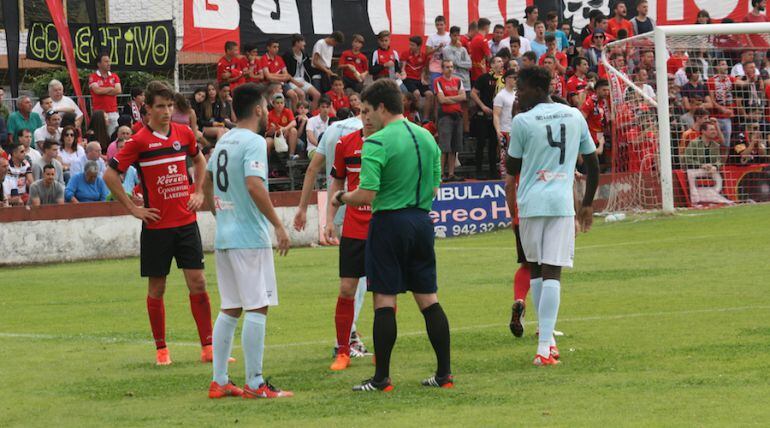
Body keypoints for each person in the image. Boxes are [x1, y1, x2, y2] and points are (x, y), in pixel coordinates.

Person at [332, 78, 452, 392]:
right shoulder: (426, 137)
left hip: (388, 223)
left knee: (384, 299)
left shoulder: (376, 142)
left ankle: (381, 378)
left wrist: (341, 198)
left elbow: (367, 194)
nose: (365, 118)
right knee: (428, 299)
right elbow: (436, 184)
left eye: (368, 111)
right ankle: (444, 375)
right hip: (422, 222)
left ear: (383, 108)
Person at [104, 81, 214, 366]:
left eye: (170, 106)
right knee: (158, 287)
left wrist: (199, 191)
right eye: (161, 107)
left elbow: (200, 161)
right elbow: (110, 176)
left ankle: (208, 346)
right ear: (148, 110)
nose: (167, 112)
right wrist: (133, 209)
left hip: (186, 222)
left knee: (198, 282)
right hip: (156, 226)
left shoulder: (184, 133)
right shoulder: (139, 141)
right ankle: (162, 349)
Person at [203, 82, 293, 400]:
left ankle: (220, 379)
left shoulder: (224, 139)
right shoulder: (254, 141)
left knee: (230, 308)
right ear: (257, 109)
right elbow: (255, 186)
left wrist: (221, 215)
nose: (268, 112)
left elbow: (206, 181)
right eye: (266, 107)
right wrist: (278, 225)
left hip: (226, 237)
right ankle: (255, 384)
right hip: (248, 238)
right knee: (257, 305)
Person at [504, 66, 599, 366]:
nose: (517, 93)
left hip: (530, 204)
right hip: (560, 203)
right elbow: (594, 163)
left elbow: (511, 167)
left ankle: (546, 344)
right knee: (552, 272)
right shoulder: (573, 115)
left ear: (535, 87)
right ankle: (546, 344)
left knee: (536, 270)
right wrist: (587, 203)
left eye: (520, 87)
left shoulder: (522, 120)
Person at [291, 109, 370, 357]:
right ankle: (348, 338)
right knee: (362, 280)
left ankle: (349, 337)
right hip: (364, 204)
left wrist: (303, 208)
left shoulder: (333, 130)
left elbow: (313, 169)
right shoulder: (375, 130)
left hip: (338, 204)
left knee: (351, 279)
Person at [324, 105, 377, 372]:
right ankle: (343, 351)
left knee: (383, 291)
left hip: (382, 226)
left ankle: (382, 350)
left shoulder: (388, 142)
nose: (367, 116)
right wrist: (329, 221)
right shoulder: (346, 143)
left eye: (371, 111)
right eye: (363, 111)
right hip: (354, 228)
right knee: (347, 288)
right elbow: (337, 183)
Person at [470, 55, 505, 179]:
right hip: (483, 116)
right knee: (480, 143)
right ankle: (478, 170)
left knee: (494, 144)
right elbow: (473, 93)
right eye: (498, 61)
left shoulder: (504, 80)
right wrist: (483, 106)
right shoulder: (484, 78)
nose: (501, 63)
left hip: (497, 117)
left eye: (501, 61)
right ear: (492, 65)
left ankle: (493, 171)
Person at [435, 60, 466, 182]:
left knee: (454, 147)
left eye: (452, 67)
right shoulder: (438, 81)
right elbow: (441, 100)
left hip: (457, 116)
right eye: (447, 67)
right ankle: (441, 174)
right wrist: (456, 98)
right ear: (442, 69)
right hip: (445, 116)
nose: (450, 69)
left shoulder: (458, 81)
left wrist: (449, 98)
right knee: (444, 147)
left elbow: (463, 97)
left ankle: (451, 174)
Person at [283, 33, 322, 110]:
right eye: (303, 41)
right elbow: (286, 73)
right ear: (297, 43)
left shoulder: (304, 54)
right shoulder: (288, 54)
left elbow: (309, 68)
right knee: (301, 94)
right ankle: (297, 116)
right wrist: (296, 82)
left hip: (302, 80)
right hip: (291, 81)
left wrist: (319, 72)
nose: (305, 44)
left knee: (317, 95)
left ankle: (310, 116)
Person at [89, 53, 122, 135]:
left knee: (114, 135)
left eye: (109, 61)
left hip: (113, 112)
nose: (109, 63)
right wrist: (111, 89)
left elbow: (118, 90)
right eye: (106, 61)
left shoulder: (114, 76)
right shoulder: (93, 76)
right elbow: (97, 91)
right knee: (100, 135)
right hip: (99, 113)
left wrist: (103, 90)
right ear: (99, 64)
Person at [494, 69, 518, 176]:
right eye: (514, 78)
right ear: (507, 79)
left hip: (516, 130)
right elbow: (496, 114)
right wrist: (498, 130)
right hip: (505, 129)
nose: (516, 80)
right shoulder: (501, 96)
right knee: (504, 157)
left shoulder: (517, 94)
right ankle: (503, 177)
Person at [581, 79, 610, 156]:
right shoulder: (590, 102)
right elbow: (581, 120)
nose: (606, 93)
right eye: (604, 90)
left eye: (608, 90)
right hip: (591, 137)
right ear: (597, 90)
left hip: (601, 135)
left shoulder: (605, 102)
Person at [266, 93, 299, 159]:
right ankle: (266, 162)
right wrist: (272, 130)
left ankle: (291, 156)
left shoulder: (288, 111)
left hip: (286, 135)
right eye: (277, 103)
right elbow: (267, 132)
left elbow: (294, 122)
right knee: (267, 142)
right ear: (273, 104)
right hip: (274, 137)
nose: (280, 105)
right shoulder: (269, 114)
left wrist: (285, 128)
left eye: (281, 102)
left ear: (284, 103)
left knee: (293, 130)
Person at [426, 16, 452, 88]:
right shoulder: (431, 37)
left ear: (445, 25)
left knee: (447, 89)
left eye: (441, 24)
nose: (439, 27)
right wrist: (438, 48)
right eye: (437, 25)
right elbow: (427, 52)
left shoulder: (450, 36)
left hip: (448, 66)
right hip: (435, 67)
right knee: (435, 89)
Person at [469, 18, 492, 83]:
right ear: (486, 27)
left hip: (474, 72)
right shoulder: (483, 40)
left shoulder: (473, 39)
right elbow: (489, 58)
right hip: (481, 72)